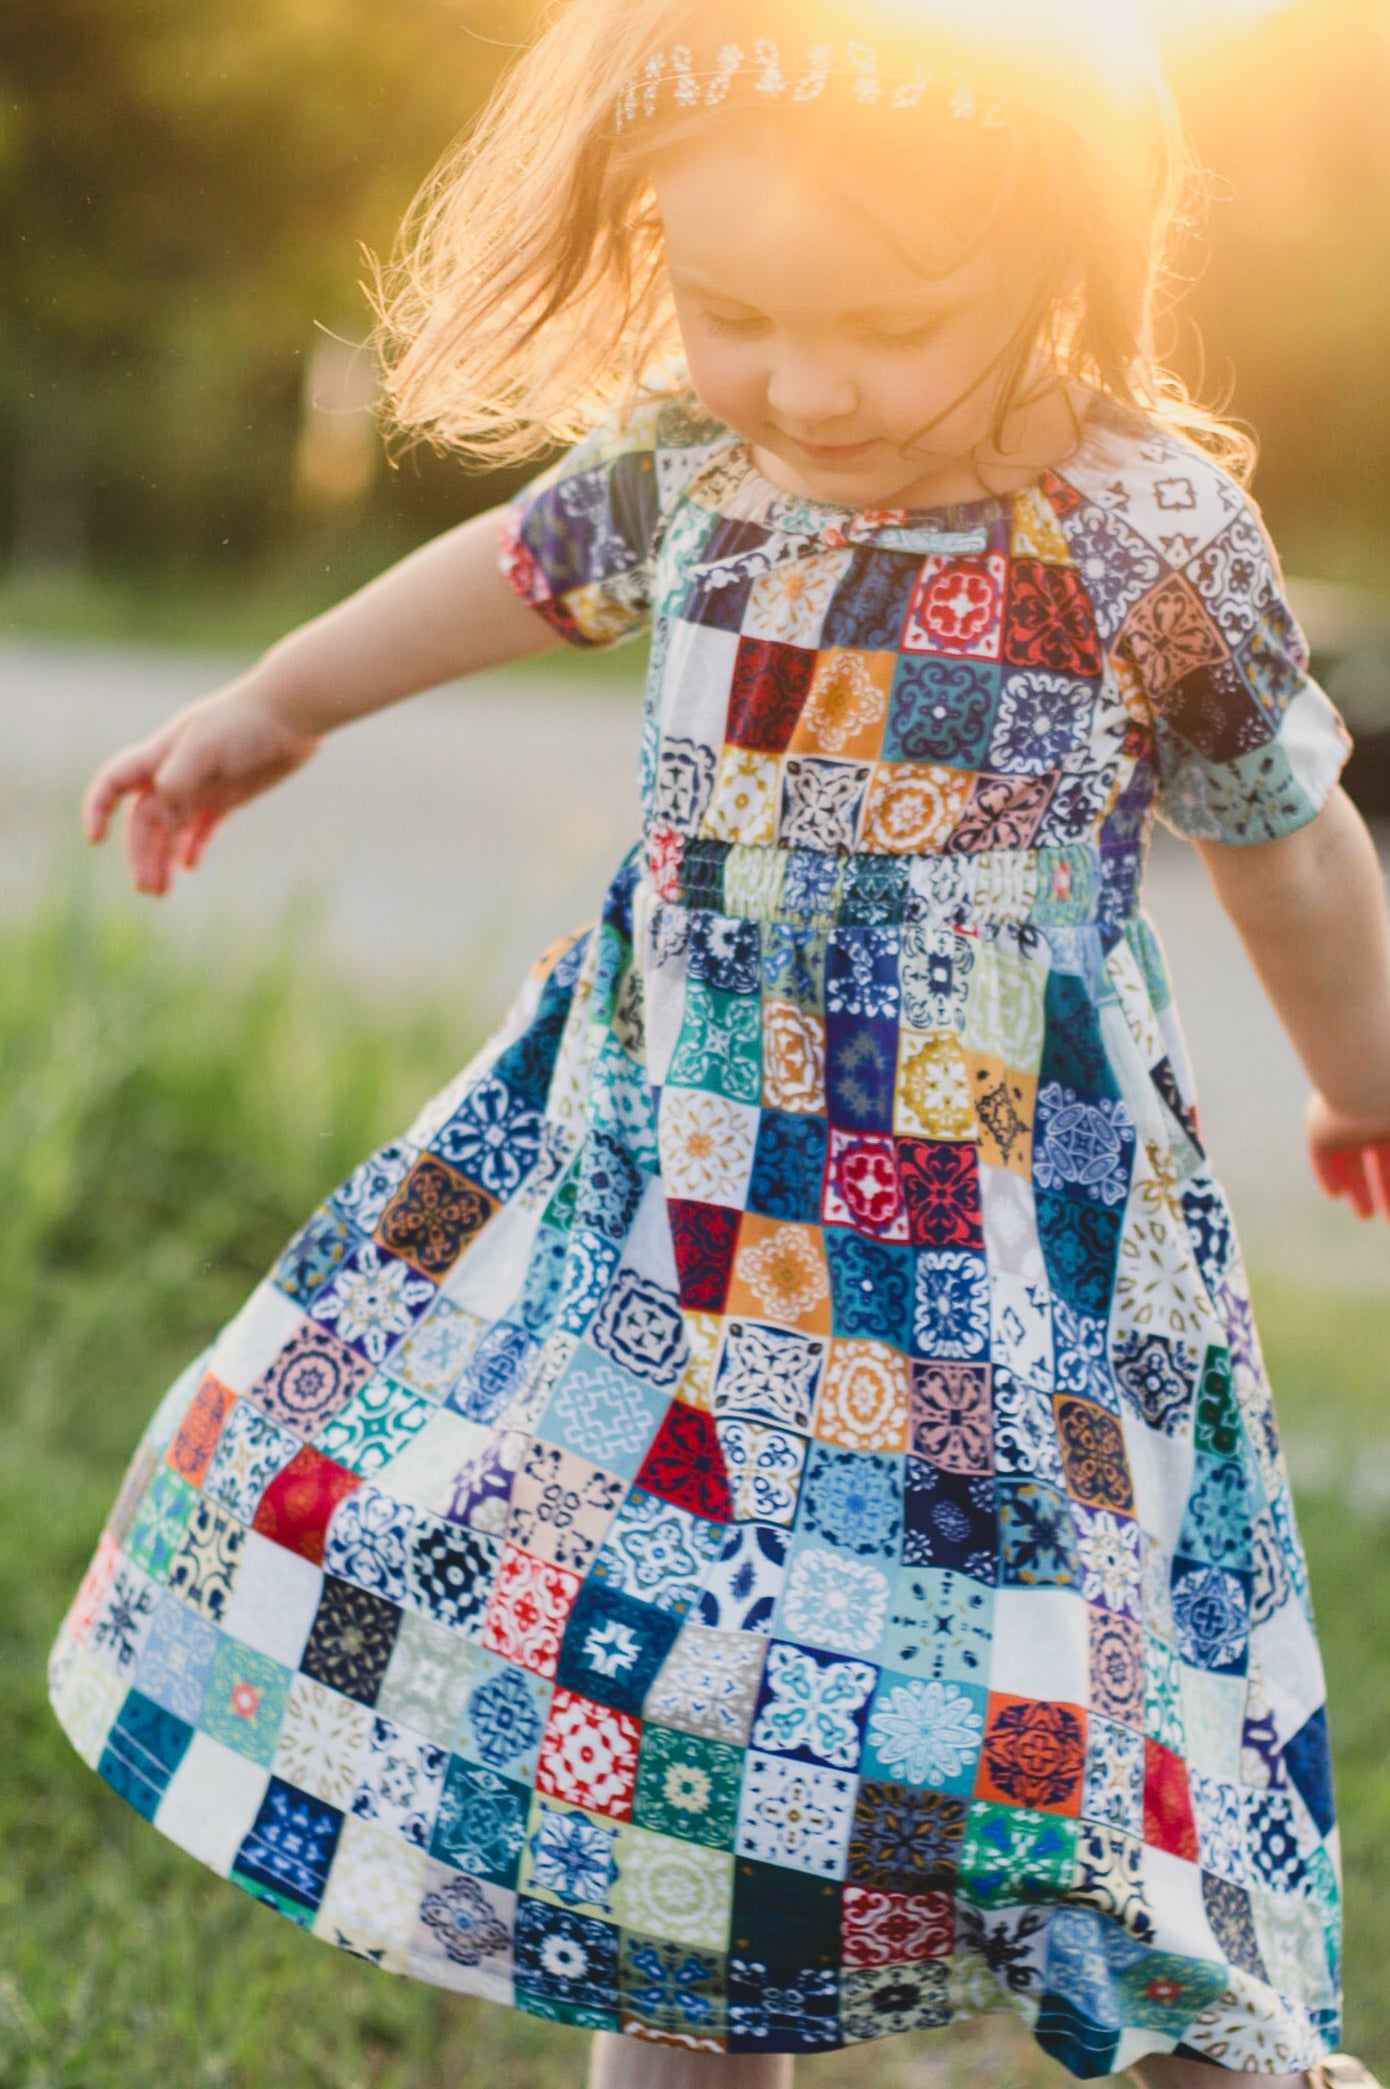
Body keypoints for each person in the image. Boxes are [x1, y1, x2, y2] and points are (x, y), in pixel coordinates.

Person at [45, 0, 1390, 2083]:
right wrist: (281, 704)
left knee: (1051, 1708)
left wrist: (1355, 1069)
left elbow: (1286, 845)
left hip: (989, 1264)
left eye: (884, 320)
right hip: (675, 1217)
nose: (803, 380)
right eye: (732, 306)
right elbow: (492, 574)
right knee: (665, 1756)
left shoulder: (1135, 537)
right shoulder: (692, 465)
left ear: (1056, 246)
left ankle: (1183, 2017)